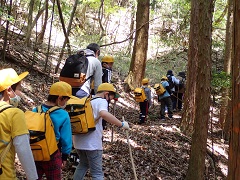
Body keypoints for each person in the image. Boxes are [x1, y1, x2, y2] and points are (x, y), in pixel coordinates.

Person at [72, 83, 130, 180]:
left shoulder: (87, 100)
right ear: (106, 94)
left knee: (82, 165)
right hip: (92, 143)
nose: (110, 100)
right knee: (97, 173)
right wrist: (121, 124)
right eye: (110, 97)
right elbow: (104, 114)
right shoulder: (102, 101)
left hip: (78, 141)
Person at [0, 68, 38, 179]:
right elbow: (23, 149)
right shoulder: (14, 114)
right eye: (18, 89)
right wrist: (33, 177)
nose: (20, 93)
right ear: (8, 90)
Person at [32, 81, 73, 180]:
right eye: (65, 100)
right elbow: (66, 139)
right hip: (53, 154)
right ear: (60, 98)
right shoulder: (63, 114)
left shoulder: (35, 110)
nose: (65, 103)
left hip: (35, 152)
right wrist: (64, 156)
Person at [101, 55, 114, 129]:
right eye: (110, 64)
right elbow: (107, 83)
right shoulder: (107, 71)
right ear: (104, 64)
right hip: (105, 93)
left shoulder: (99, 69)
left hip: (97, 92)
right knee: (105, 108)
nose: (111, 66)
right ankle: (103, 124)